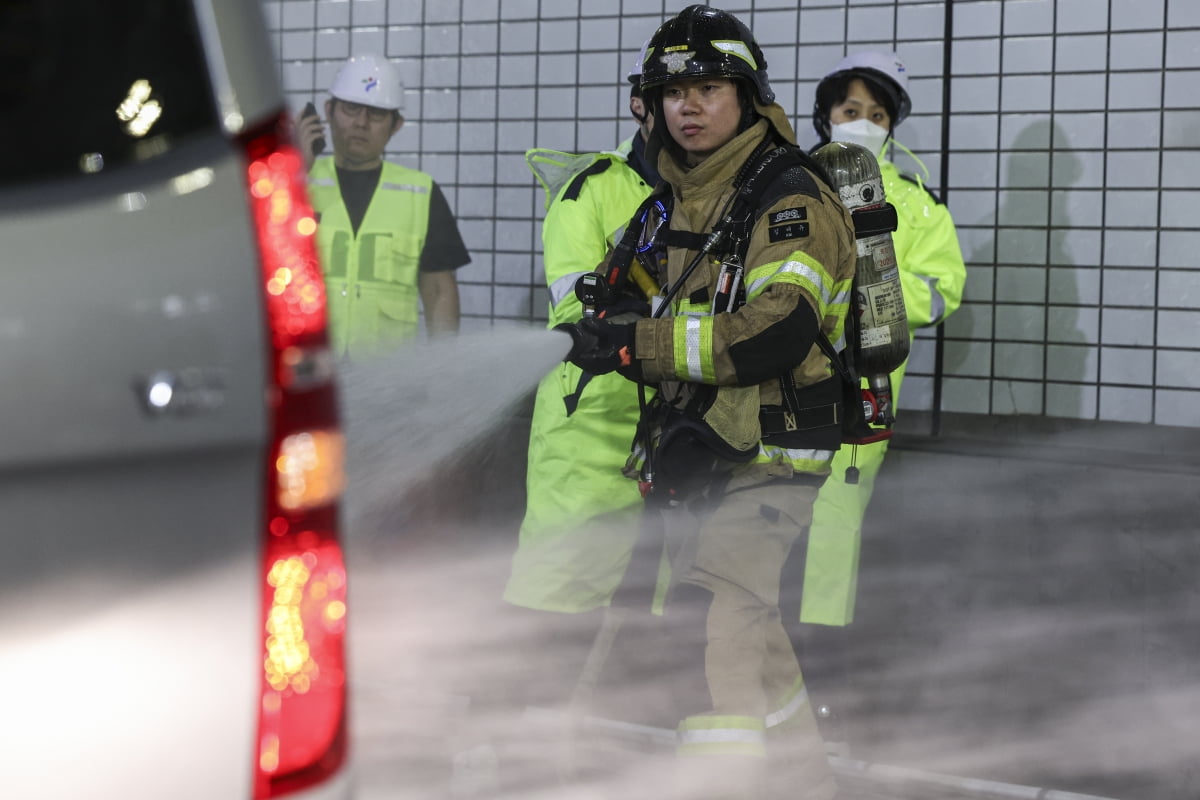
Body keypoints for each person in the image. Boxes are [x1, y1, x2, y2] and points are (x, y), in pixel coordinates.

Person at [558, 7, 856, 798]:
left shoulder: (788, 197)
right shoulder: (674, 198)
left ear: (748, 96)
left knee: (719, 619)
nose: (689, 105)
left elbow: (778, 331)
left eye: (710, 87)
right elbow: (646, 298)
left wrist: (640, 345)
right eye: (672, 91)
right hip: (709, 444)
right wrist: (612, 319)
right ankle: (810, 783)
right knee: (754, 633)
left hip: (777, 450)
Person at [790, 51, 967, 634]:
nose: (863, 122)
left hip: (865, 390)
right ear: (827, 116)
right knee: (753, 507)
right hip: (777, 379)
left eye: (877, 113)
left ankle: (820, 653)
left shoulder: (917, 205)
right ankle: (747, 645)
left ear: (893, 125)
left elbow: (943, 292)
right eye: (850, 109)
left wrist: (872, 287)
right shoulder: (787, 182)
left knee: (837, 516)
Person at [504, 43, 660, 619]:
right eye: (666, 95)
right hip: (591, 424)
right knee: (557, 600)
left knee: (663, 615)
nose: (681, 111)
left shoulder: (721, 196)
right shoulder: (590, 187)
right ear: (638, 104)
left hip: (682, 425)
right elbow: (578, 304)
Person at [293, 53, 469, 358]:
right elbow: (251, 256)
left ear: (395, 125)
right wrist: (290, 175)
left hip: (387, 380)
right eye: (350, 109)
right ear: (328, 112)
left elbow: (439, 289)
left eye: (376, 114)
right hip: (308, 373)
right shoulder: (294, 184)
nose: (361, 123)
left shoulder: (421, 193)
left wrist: (445, 368)